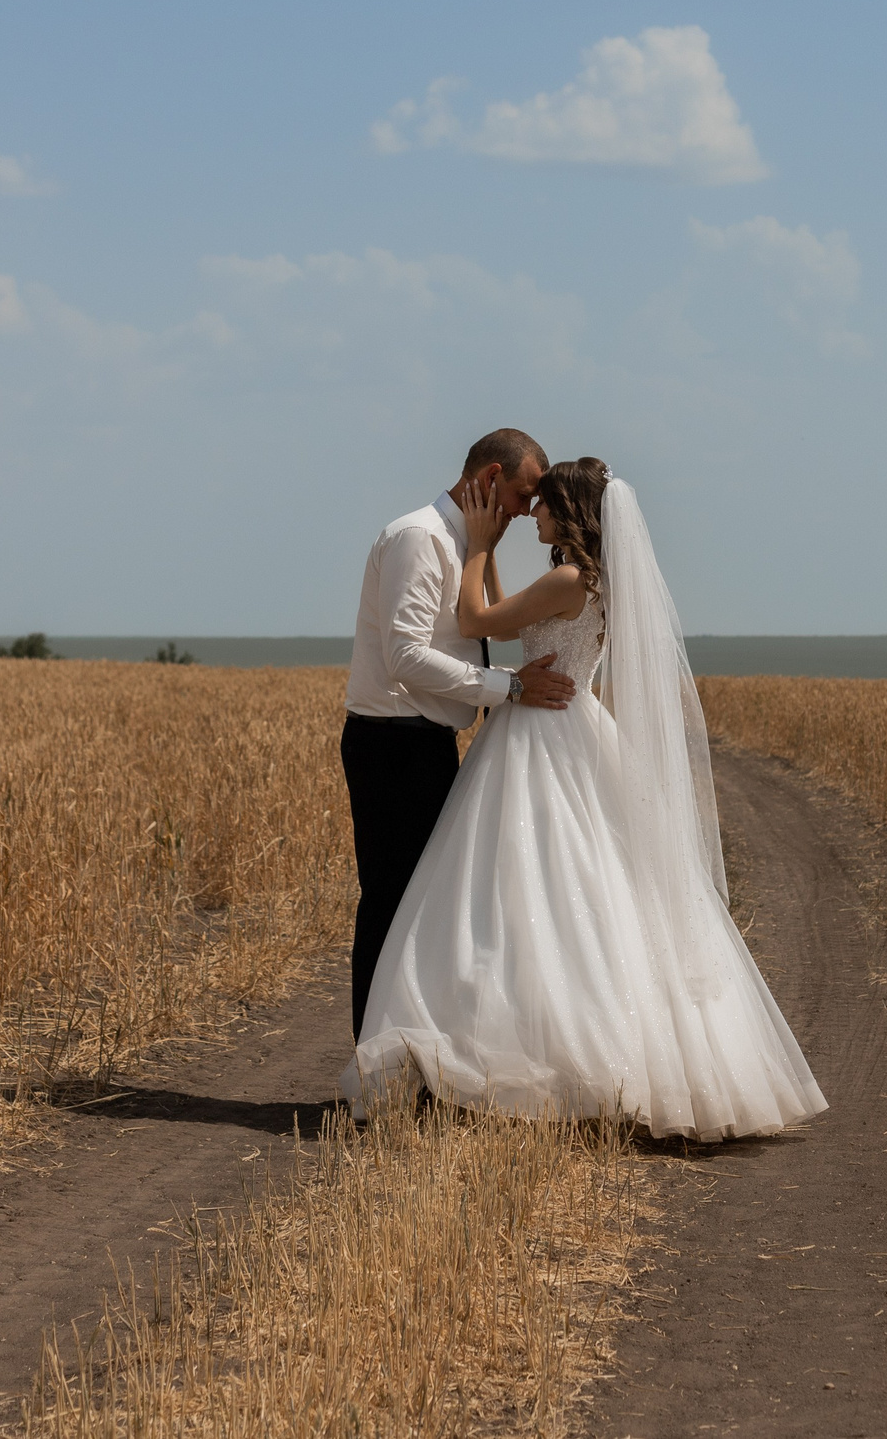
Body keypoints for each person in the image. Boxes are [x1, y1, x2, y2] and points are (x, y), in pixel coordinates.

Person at [342, 456, 827, 1140]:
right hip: (568, 724)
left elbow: (476, 615)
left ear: (567, 513)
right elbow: (509, 625)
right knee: (575, 886)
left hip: (540, 730)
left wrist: (478, 549)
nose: (529, 514)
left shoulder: (568, 580)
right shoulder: (586, 582)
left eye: (540, 505)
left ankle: (526, 1060)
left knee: (524, 886)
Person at [341, 429, 577, 1041]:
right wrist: (511, 688)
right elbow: (405, 658)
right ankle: (375, 1070)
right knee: (392, 906)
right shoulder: (420, 538)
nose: (528, 511)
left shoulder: (463, 543)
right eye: (524, 494)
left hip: (427, 743)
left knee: (429, 911)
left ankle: (411, 1062)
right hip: (392, 745)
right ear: (490, 476)